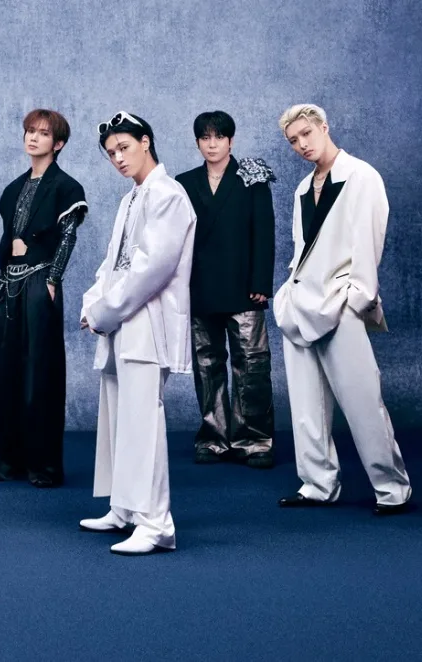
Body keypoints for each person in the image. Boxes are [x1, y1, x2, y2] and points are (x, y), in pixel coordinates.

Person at [272, 104, 412, 515]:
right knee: (306, 406)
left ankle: (392, 489)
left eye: (306, 134)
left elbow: (368, 242)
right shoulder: (303, 187)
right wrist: (288, 295)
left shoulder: (362, 177)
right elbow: (301, 248)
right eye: (293, 141)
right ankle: (317, 484)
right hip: (300, 306)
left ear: (324, 127)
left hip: (340, 302)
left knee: (363, 402)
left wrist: (358, 299)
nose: (301, 144)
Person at [79, 111, 196, 555]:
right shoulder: (132, 198)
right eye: (111, 153)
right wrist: (93, 303)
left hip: (147, 324)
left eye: (124, 148)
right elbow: (112, 262)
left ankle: (156, 524)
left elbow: (151, 270)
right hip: (122, 321)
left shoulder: (168, 194)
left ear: (146, 141)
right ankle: (125, 508)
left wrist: (104, 311)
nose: (118, 158)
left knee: (143, 420)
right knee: (119, 415)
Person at [0, 108, 87, 487]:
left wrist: (53, 279)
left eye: (42, 133)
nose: (33, 138)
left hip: (41, 280)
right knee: (5, 369)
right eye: (30, 131)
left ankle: (42, 466)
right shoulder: (13, 188)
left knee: (40, 371)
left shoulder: (67, 187)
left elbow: (68, 236)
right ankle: (6, 462)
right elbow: (8, 239)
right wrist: (0, 279)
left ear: (58, 144)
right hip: (7, 283)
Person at [175, 110, 276, 468]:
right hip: (200, 287)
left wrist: (261, 282)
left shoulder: (252, 177)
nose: (212, 144)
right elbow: (177, 240)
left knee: (252, 364)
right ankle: (213, 438)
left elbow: (264, 231)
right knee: (207, 365)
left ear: (231, 140)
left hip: (244, 287)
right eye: (205, 137)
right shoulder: (184, 183)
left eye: (219, 136)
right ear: (197, 142)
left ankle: (254, 440)